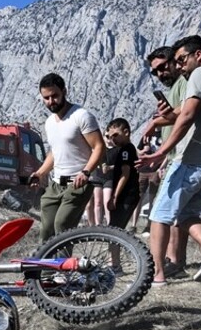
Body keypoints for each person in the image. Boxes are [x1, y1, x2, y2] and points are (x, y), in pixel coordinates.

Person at [138, 35, 201, 285]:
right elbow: (180, 112)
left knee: (159, 215)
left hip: (194, 160)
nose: (179, 66)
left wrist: (161, 152)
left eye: (181, 60)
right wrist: (156, 122)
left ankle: (157, 275)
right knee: (186, 213)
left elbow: (188, 114)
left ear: (198, 55)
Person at [27, 72, 104, 241]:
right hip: (55, 184)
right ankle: (45, 267)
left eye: (54, 96)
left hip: (78, 182)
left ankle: (64, 267)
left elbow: (99, 147)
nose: (50, 101)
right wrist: (40, 173)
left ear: (64, 91)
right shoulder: (49, 122)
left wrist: (86, 172)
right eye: (46, 98)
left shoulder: (81, 116)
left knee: (62, 226)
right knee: (46, 231)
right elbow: (55, 152)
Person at [141, 46, 190, 271]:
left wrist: (158, 121)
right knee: (173, 212)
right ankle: (173, 259)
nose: (160, 73)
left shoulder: (184, 83)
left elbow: (184, 113)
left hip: (181, 155)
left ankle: (171, 262)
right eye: (155, 71)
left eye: (163, 67)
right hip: (171, 155)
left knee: (169, 212)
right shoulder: (174, 89)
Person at [104, 118, 140, 231]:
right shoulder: (121, 150)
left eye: (115, 135)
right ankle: (113, 249)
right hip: (123, 196)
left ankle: (114, 249)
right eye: (110, 137)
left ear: (126, 132)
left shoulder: (126, 149)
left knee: (115, 230)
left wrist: (114, 197)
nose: (113, 139)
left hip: (126, 197)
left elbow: (125, 174)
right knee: (114, 229)